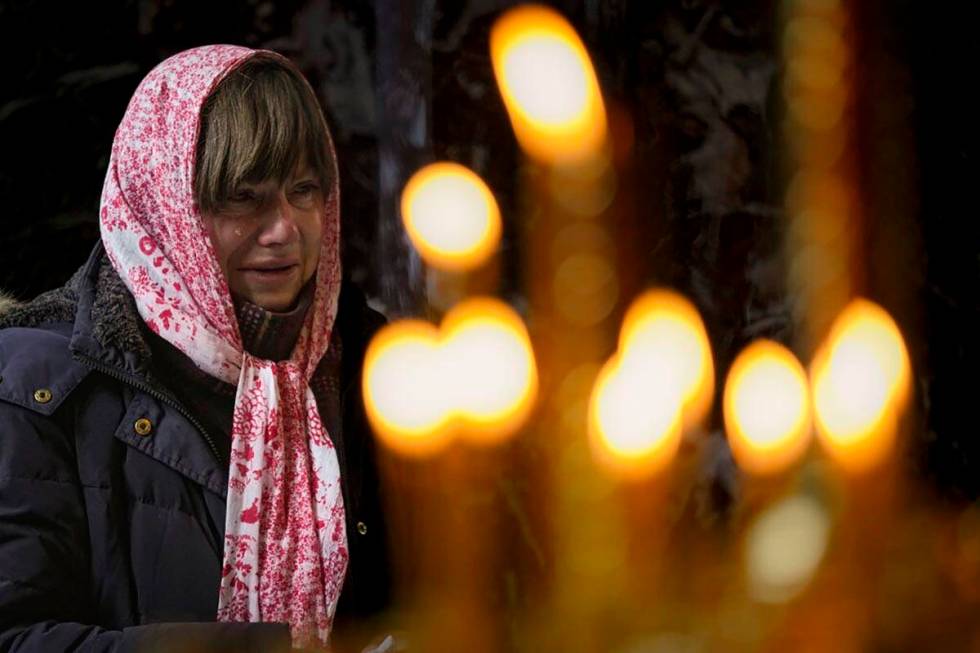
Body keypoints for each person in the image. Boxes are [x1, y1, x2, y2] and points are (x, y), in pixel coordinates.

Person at [0, 45, 391, 651]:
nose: (285, 229)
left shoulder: (374, 367)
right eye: (243, 195)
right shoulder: (35, 389)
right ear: (166, 204)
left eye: (305, 189)